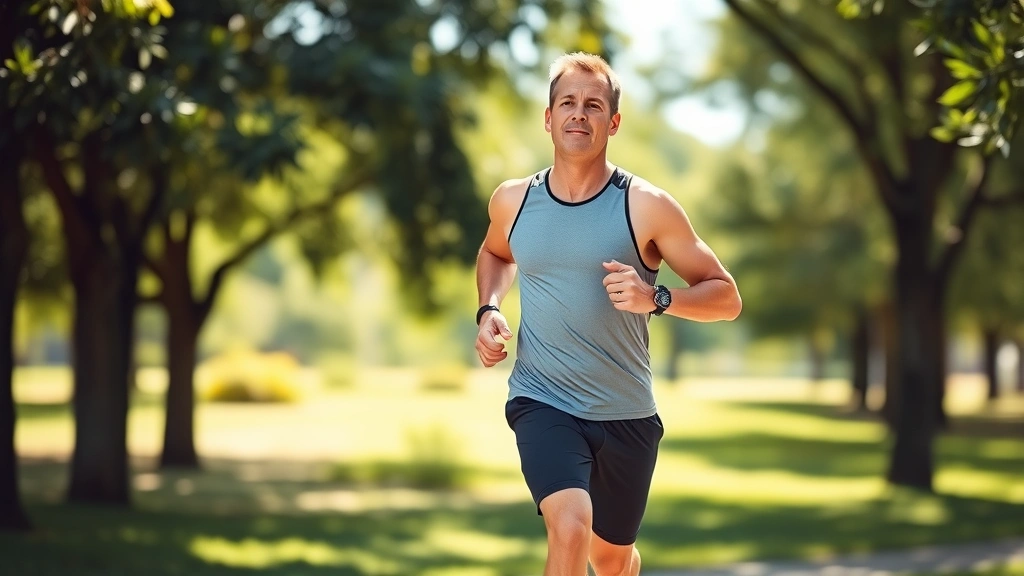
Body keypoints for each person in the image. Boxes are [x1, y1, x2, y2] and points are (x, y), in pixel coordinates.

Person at [474, 52, 742, 576]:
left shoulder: (645, 205)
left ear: (613, 122)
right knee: (570, 528)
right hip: (542, 397)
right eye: (567, 103)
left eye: (593, 105)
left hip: (626, 412)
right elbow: (495, 254)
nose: (579, 114)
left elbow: (726, 296)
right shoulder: (513, 201)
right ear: (548, 118)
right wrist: (488, 309)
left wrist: (657, 298)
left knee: (612, 560)